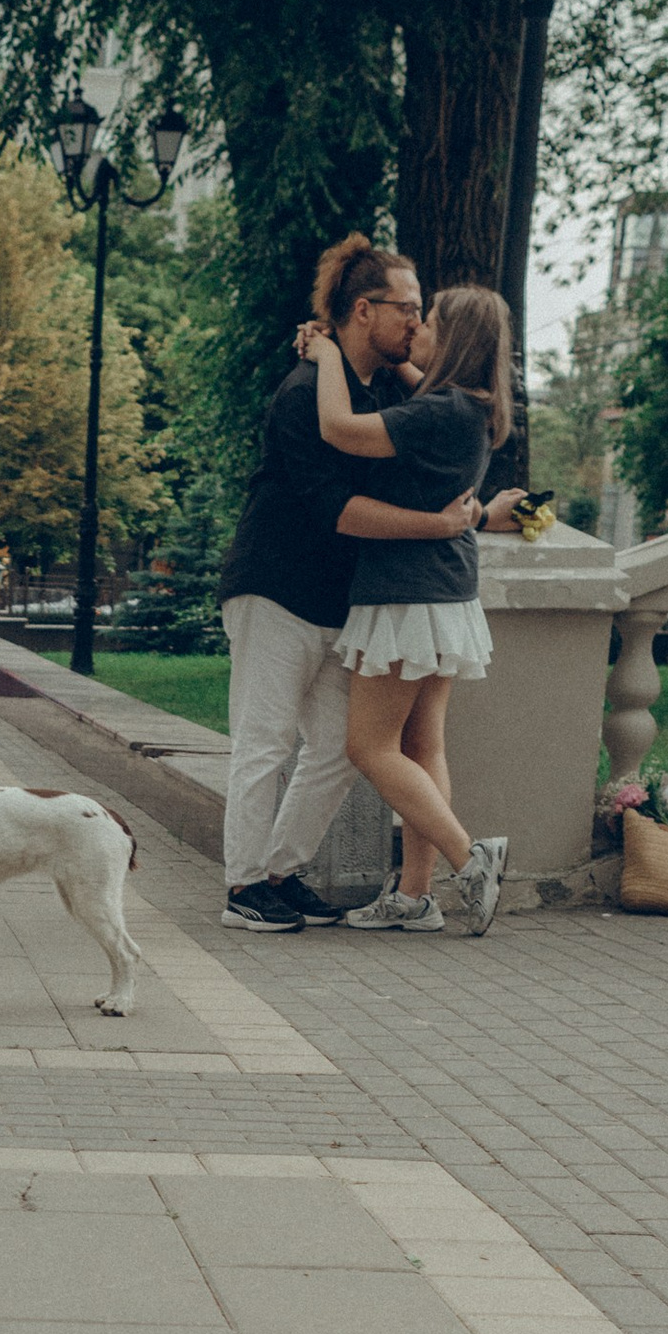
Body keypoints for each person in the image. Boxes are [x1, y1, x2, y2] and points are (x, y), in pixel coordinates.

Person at [213, 235, 498, 935]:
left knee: (342, 752)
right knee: (266, 741)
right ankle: (245, 886)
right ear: (365, 311)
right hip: (276, 588)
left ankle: (283, 871)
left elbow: (427, 430)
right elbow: (337, 510)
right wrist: (437, 527)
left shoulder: (370, 387)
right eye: (407, 309)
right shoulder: (308, 390)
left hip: (343, 601)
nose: (416, 323)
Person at [309, 282, 516, 938]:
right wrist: (394, 360)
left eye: (425, 321)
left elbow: (339, 429)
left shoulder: (440, 413)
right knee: (423, 744)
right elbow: (421, 374)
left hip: (405, 591)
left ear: (450, 339)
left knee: (368, 746)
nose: (414, 328)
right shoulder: (471, 407)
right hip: (444, 591)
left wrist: (325, 359)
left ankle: (469, 859)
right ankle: (415, 895)